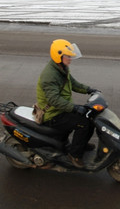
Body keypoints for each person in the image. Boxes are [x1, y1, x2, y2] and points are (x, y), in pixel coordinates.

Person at [35, 39, 98, 168]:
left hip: (61, 109)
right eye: (68, 56)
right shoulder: (50, 75)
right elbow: (54, 100)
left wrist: (88, 89)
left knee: (89, 117)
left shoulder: (61, 68)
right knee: (83, 123)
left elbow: (73, 84)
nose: (70, 58)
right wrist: (73, 108)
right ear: (58, 56)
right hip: (52, 115)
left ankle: (80, 144)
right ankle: (74, 155)